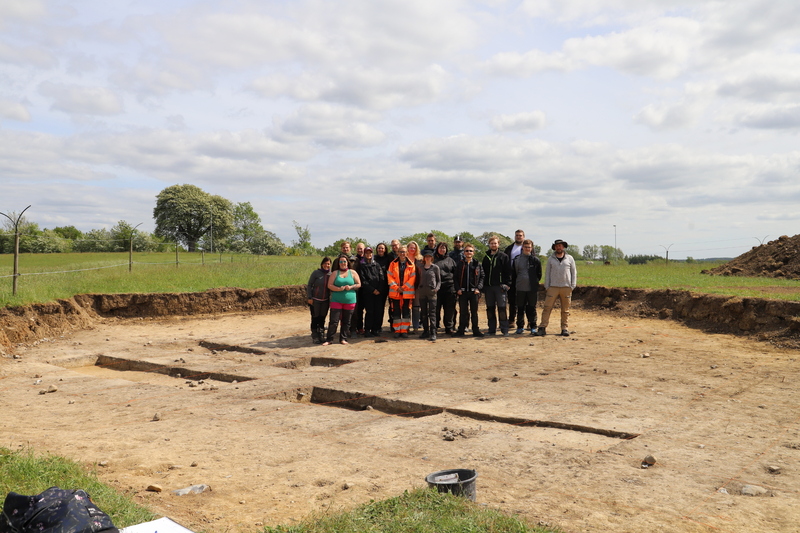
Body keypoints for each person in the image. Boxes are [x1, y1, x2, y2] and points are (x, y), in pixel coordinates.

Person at [536, 239, 577, 337]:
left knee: (565, 310)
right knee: (547, 308)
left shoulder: (570, 258)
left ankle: (564, 328)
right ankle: (542, 328)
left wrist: (572, 286)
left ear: (563, 247)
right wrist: (547, 286)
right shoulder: (551, 259)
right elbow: (547, 273)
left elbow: (573, 272)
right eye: (557, 246)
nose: (559, 247)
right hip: (553, 287)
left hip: (566, 287)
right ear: (554, 247)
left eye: (560, 245)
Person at [323, 255, 361, 346]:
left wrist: (351, 287)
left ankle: (343, 338)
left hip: (350, 301)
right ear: (338, 263)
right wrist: (338, 289)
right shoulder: (335, 273)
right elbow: (329, 285)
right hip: (336, 300)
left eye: (344, 261)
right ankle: (329, 339)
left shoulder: (353, 272)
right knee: (334, 321)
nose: (343, 263)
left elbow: (359, 284)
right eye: (341, 262)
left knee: (346, 321)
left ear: (347, 262)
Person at [482, 235, 511, 336]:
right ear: (489, 244)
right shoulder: (486, 257)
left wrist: (507, 284)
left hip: (500, 287)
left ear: (498, 244)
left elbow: (508, 272)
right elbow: (483, 273)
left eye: (495, 243)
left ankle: (504, 329)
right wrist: (483, 285)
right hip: (488, 287)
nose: (493, 245)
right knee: (490, 309)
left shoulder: (504, 257)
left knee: (502, 308)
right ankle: (491, 329)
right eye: (491, 243)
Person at [512, 239, 542, 335]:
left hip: (532, 289)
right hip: (520, 288)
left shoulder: (536, 260)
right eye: (525, 247)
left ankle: (533, 326)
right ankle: (520, 327)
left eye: (529, 247)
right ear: (522, 247)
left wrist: (534, 282)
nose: (527, 249)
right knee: (520, 308)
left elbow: (539, 274)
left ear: (531, 248)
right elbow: (514, 273)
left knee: (531, 308)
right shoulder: (517, 259)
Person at [454, 243, 484, 337]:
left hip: (474, 292)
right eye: (467, 251)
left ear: (473, 253)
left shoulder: (477, 264)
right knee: (463, 312)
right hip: (462, 292)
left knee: (474, 312)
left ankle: (476, 330)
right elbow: (455, 278)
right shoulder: (460, 264)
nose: (468, 252)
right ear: (464, 252)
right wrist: (458, 289)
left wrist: (478, 288)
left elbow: (482, 277)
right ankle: (461, 330)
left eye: (470, 251)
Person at [387, 245, 416, 338]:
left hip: (407, 292)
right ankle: (397, 330)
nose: (402, 253)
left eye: (404, 252)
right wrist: (396, 287)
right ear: (398, 253)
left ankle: (404, 330)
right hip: (395, 292)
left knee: (406, 311)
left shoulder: (411, 264)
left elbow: (412, 278)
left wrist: (404, 287)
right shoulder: (392, 264)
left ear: (407, 253)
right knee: (396, 311)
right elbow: (390, 276)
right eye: (400, 252)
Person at [359, 247, 387, 337]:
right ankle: (367, 330)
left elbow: (382, 278)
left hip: (379, 293)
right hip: (368, 293)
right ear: (364, 254)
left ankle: (376, 329)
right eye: (367, 253)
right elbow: (363, 280)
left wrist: (379, 289)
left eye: (370, 253)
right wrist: (372, 290)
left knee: (378, 311)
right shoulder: (362, 266)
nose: (369, 255)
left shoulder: (377, 265)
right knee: (370, 312)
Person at [417, 248, 441, 341]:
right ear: (424, 258)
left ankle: (433, 332)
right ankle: (425, 331)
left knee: (432, 313)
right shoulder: (421, 267)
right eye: (426, 256)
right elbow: (417, 278)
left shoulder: (435, 268)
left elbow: (439, 280)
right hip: (422, 292)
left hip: (432, 292)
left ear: (432, 258)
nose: (427, 258)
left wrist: (436, 289)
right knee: (423, 313)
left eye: (429, 256)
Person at [306, 257, 331, 344]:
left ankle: (321, 334)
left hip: (325, 300)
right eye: (325, 263)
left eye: (328, 264)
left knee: (322, 317)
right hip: (315, 300)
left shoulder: (331, 274)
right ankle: (315, 335)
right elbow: (309, 285)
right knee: (315, 317)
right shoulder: (316, 273)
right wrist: (309, 297)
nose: (326, 265)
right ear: (322, 264)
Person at [433, 242, 457, 334]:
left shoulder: (451, 260)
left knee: (449, 309)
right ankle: (434, 327)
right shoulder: (432, 260)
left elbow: (456, 274)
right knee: (435, 309)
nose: (442, 250)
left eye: (444, 248)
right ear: (437, 249)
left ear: (446, 250)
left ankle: (449, 327)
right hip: (436, 288)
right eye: (440, 248)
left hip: (449, 287)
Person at [504, 229, 526, 327]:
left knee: (524, 300)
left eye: (520, 235)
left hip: (523, 276)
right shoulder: (509, 248)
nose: (518, 237)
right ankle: (511, 320)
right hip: (511, 276)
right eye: (517, 235)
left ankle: (527, 321)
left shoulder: (527, 247)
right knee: (512, 299)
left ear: (523, 237)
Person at [406, 240, 423, 332]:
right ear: (407, 248)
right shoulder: (403, 258)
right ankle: (406, 327)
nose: (412, 249)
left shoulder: (420, 260)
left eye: (414, 248)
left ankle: (416, 327)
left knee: (416, 308)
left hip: (417, 287)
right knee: (406, 307)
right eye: (411, 247)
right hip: (406, 287)